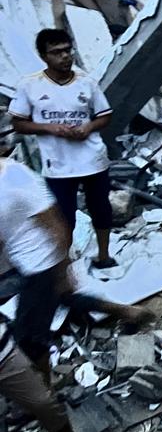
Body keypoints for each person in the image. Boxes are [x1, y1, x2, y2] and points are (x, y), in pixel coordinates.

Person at [0, 159, 119, 432]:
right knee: (53, 315)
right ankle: (127, 312)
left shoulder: (14, 175)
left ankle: (45, 395)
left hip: (41, 265)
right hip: (27, 268)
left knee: (32, 338)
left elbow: (56, 221)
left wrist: (63, 266)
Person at [11, 29, 117, 268]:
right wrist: (51, 128)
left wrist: (89, 127)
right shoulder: (29, 86)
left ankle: (104, 256)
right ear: (43, 56)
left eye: (68, 50)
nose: (65, 56)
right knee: (63, 216)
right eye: (57, 52)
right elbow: (18, 123)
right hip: (58, 165)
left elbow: (105, 115)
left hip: (93, 160)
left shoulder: (86, 83)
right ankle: (64, 266)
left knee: (101, 209)